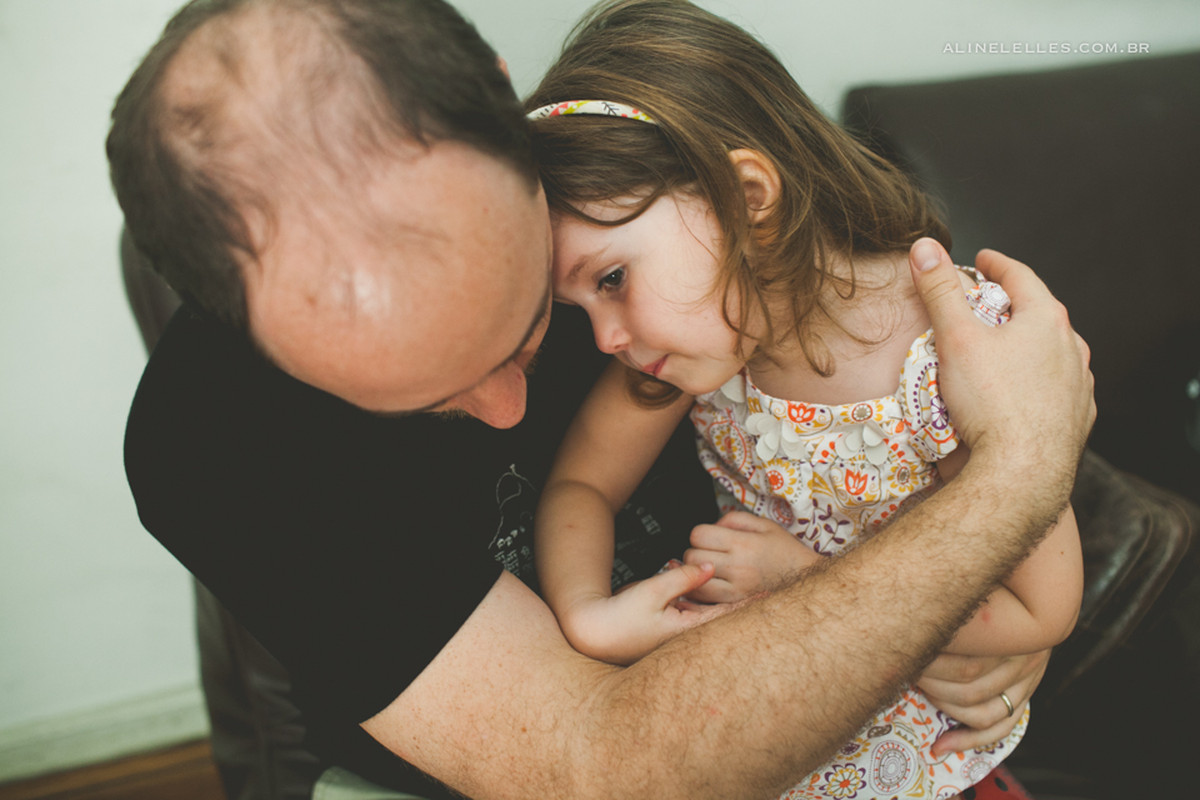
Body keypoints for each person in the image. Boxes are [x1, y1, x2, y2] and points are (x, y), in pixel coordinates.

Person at [108, 0, 1093, 798]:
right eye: (414, 399)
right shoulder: (211, 442)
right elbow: (593, 764)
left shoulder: (629, 216)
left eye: (526, 321)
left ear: (509, 114)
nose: (508, 409)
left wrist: (945, 605)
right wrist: (1002, 493)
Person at [527, 3, 1083, 798]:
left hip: (921, 772)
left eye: (612, 279)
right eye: (582, 309)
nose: (605, 339)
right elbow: (582, 485)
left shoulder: (952, 352)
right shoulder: (696, 356)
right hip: (758, 741)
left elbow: (1041, 610)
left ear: (748, 196)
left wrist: (796, 577)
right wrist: (585, 613)